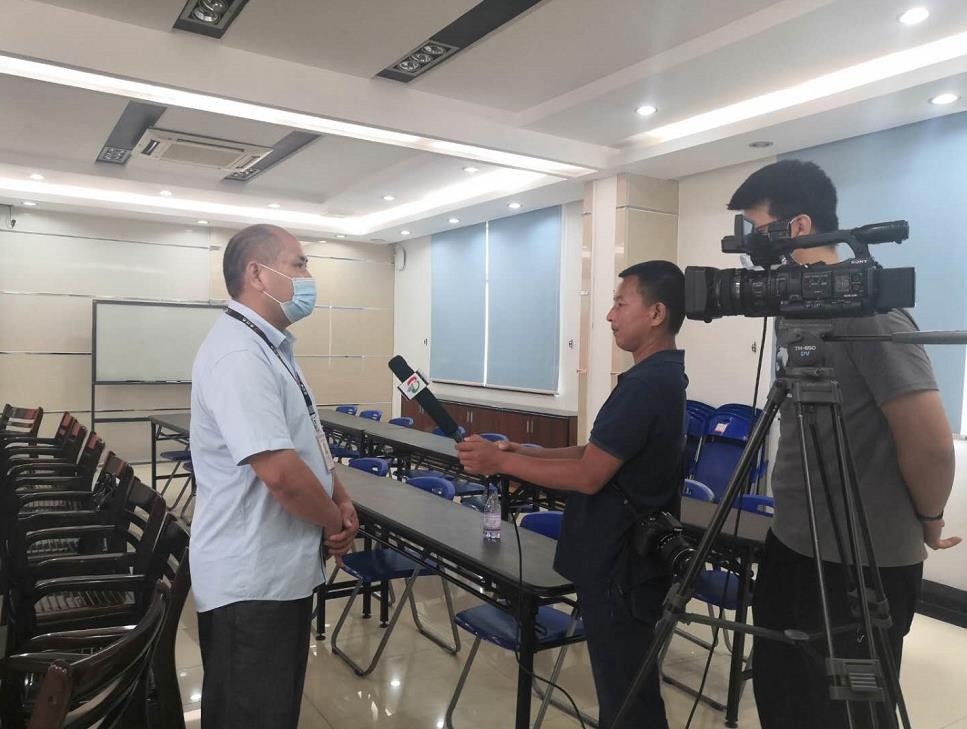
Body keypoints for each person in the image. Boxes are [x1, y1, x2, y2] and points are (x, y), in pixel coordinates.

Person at [727, 159, 960, 729]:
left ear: (799, 227)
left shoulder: (872, 312)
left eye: (757, 232)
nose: (750, 249)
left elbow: (930, 443)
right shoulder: (796, 308)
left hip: (860, 564)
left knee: (848, 715)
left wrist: (930, 519)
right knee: (782, 697)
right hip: (792, 543)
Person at [457, 260, 687, 729]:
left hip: (622, 569)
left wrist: (501, 462)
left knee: (628, 699)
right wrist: (528, 452)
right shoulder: (655, 377)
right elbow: (594, 452)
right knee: (627, 691)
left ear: (656, 313)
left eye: (620, 303)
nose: (609, 315)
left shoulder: (647, 384)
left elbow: (589, 476)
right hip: (620, 564)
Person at [189, 224, 359, 729]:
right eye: (299, 263)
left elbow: (306, 438)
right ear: (258, 274)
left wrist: (340, 496)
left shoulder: (271, 346)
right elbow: (282, 473)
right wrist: (333, 522)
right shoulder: (240, 355)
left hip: (275, 570)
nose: (308, 276)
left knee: (271, 708)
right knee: (251, 714)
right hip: (251, 580)